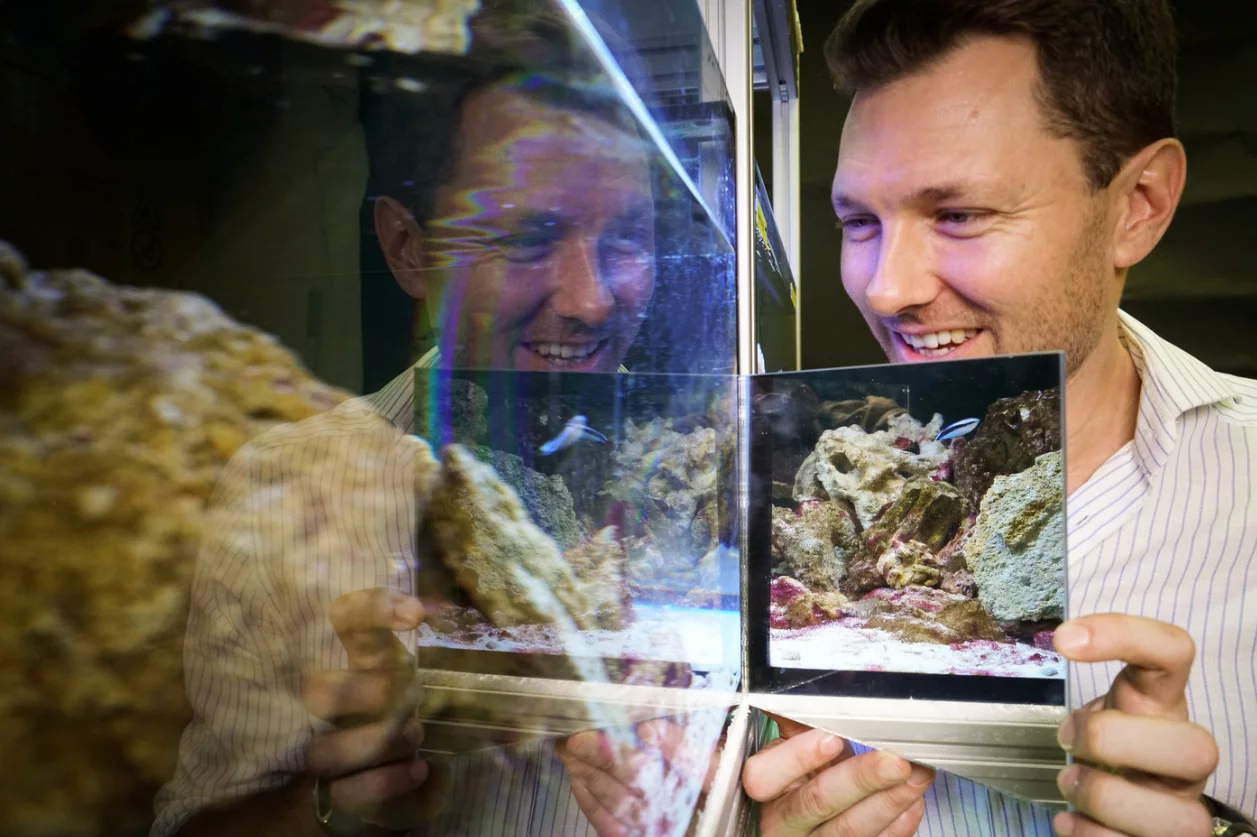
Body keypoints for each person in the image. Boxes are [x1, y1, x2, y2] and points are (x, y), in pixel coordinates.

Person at [738, 1, 1257, 836]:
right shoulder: (773, 510)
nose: (885, 288)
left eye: (959, 215)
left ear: (1138, 205)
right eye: (858, 222)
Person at [149, 21, 675, 837]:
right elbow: (194, 821)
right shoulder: (290, 486)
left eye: (627, 238)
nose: (592, 300)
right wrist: (334, 805)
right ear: (406, 247)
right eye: (528, 236)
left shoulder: (711, 463)